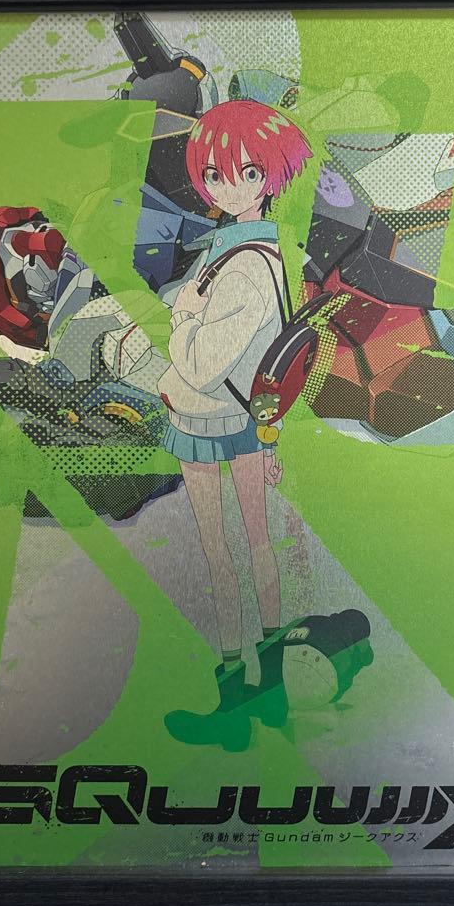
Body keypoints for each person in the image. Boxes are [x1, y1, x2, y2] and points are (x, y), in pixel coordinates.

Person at [157, 99, 312, 751]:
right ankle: (271, 694)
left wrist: (184, 315)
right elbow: (277, 355)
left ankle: (234, 704)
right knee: (257, 547)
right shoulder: (268, 254)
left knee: (223, 554)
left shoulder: (241, 266)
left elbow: (198, 364)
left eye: (248, 173)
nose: (230, 186)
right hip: (250, 420)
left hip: (206, 419)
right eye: (216, 174)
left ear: (270, 177)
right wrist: (271, 436)